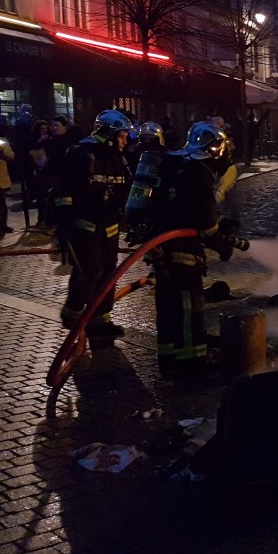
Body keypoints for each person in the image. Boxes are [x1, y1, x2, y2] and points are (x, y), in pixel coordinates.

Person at [147, 121, 246, 377]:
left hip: (161, 248)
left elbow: (180, 208)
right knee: (189, 310)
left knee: (168, 309)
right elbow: (205, 226)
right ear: (212, 148)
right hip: (183, 252)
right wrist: (223, 246)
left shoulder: (172, 163)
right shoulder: (200, 171)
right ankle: (191, 367)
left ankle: (168, 362)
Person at [53, 110, 133, 337]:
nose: (125, 140)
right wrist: (65, 224)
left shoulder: (118, 158)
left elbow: (123, 189)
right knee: (89, 272)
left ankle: (101, 319)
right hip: (85, 225)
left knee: (108, 273)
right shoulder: (80, 153)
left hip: (110, 226)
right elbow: (63, 192)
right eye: (121, 135)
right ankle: (74, 315)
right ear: (108, 133)